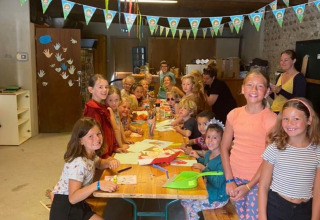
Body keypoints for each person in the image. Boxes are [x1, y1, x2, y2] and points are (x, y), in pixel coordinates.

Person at [220, 69, 277, 220]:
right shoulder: (234, 114)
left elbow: (269, 159)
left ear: (267, 92)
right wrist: (230, 180)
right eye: (250, 84)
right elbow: (224, 148)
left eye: (260, 86)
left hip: (258, 181)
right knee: (238, 216)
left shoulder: (271, 120)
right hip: (234, 178)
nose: (254, 89)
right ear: (242, 88)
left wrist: (249, 186)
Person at [259, 98, 320, 220]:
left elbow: (318, 190)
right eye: (285, 119)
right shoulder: (274, 148)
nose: (289, 123)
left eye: (296, 119)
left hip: (304, 211)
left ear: (309, 120)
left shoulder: (317, 150)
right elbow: (263, 186)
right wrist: (262, 217)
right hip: (277, 207)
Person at [49, 117, 120, 220]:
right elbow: (73, 198)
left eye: (98, 133)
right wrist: (98, 185)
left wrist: (109, 163)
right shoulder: (79, 163)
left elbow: (99, 163)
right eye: (90, 136)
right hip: (66, 208)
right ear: (80, 141)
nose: (97, 138)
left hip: (78, 203)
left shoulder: (90, 153)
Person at [181, 121, 229, 220]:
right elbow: (206, 163)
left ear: (222, 140)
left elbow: (218, 182)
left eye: (214, 138)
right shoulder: (208, 154)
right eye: (208, 137)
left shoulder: (222, 160)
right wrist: (197, 157)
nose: (210, 140)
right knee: (185, 199)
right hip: (208, 191)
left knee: (191, 208)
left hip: (217, 198)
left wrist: (203, 169)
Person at [83, 74, 118, 158]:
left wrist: (114, 147)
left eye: (106, 87)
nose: (105, 90)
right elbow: (95, 136)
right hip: (100, 156)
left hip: (108, 151)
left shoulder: (102, 106)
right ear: (91, 90)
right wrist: (104, 156)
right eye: (100, 87)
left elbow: (108, 130)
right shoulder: (92, 109)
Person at [270, 49, 307, 113]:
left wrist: (281, 91)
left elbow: (298, 101)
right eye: (281, 60)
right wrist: (270, 92)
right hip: (274, 110)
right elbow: (277, 98)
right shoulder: (280, 76)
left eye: (286, 60)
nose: (282, 62)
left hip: (287, 113)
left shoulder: (299, 78)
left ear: (294, 61)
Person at [106, 86, 133, 151]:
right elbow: (115, 129)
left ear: (120, 100)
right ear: (106, 100)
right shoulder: (109, 110)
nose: (114, 103)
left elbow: (119, 125)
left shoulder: (116, 110)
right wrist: (121, 146)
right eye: (110, 100)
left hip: (117, 141)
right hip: (111, 142)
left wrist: (124, 140)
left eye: (116, 100)